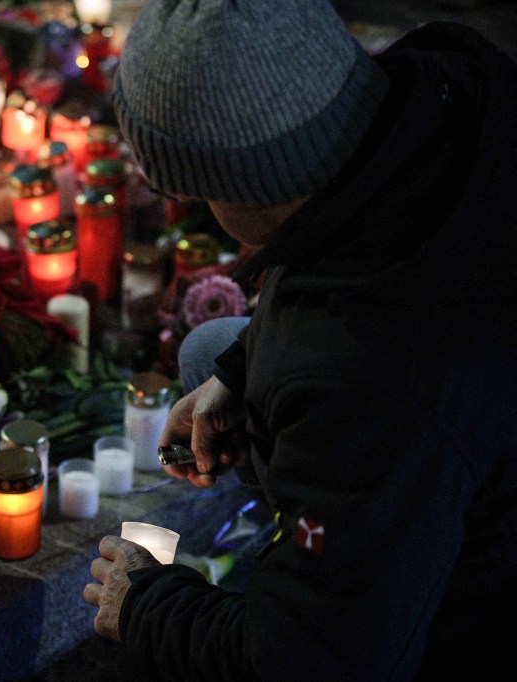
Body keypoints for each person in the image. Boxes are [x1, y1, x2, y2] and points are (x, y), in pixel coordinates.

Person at [83, 0, 517, 679]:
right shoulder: (446, 107)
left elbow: (312, 660)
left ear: (250, 186)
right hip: (458, 419)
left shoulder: (370, 385)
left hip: (471, 612)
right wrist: (240, 371)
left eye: (200, 192)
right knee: (209, 350)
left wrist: (148, 605)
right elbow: (329, 271)